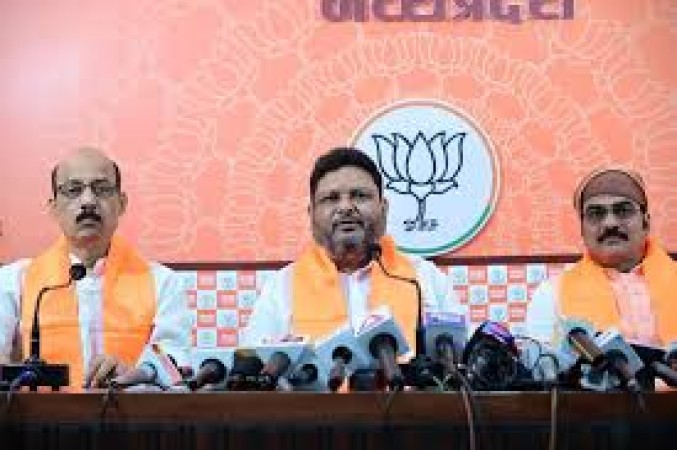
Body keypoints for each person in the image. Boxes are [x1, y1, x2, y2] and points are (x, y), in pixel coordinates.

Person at [0, 147, 191, 389]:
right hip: (43, 413)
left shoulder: (163, 283)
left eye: (102, 189)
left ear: (122, 203)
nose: (88, 201)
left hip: (134, 410)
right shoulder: (14, 282)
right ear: (53, 207)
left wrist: (135, 374)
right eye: (73, 190)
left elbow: (176, 366)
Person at [242, 147, 462, 355]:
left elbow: (459, 363)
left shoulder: (424, 279)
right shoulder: (281, 287)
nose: (346, 207)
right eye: (331, 198)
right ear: (311, 214)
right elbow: (256, 366)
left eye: (359, 195)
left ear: (383, 209)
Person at [526, 166, 677, 347]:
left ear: (646, 222)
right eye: (596, 214)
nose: (610, 223)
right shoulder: (552, 294)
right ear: (582, 229)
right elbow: (541, 362)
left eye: (623, 211)